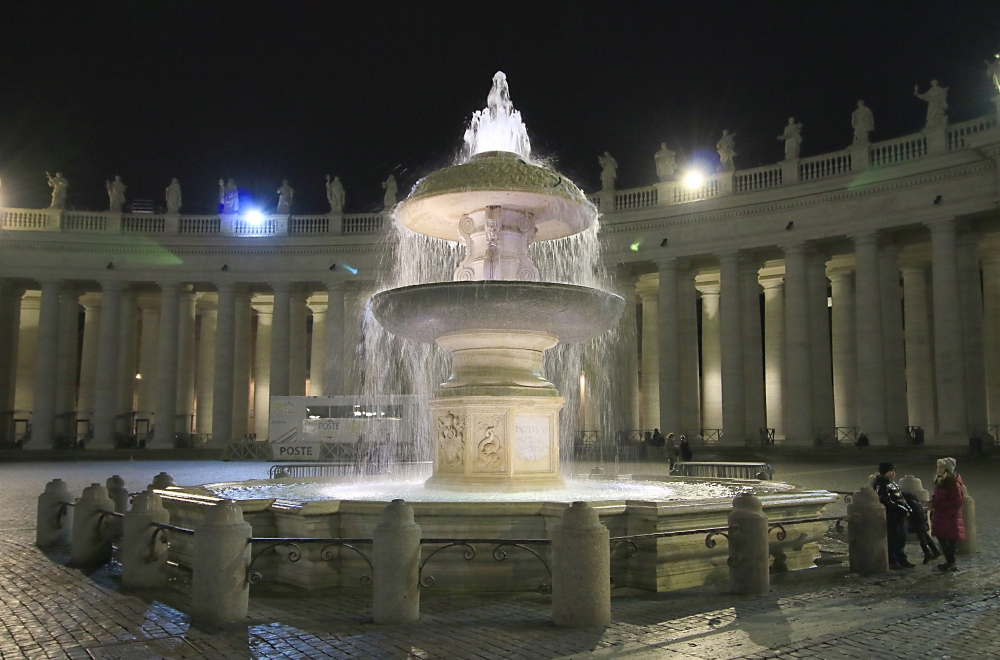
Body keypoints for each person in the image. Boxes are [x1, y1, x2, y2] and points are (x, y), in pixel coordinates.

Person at [872, 462, 914, 569]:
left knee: (901, 537)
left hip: (899, 515)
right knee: (893, 538)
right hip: (891, 515)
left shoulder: (892, 483)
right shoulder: (881, 484)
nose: (893, 473)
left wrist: (907, 507)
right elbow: (885, 500)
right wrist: (901, 509)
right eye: (891, 471)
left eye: (894, 470)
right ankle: (893, 560)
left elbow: (900, 497)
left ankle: (902, 558)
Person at [929, 457, 965, 572]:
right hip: (941, 514)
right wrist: (933, 502)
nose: (939, 469)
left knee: (949, 539)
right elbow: (936, 495)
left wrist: (938, 504)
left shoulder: (953, 482)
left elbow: (957, 501)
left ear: (947, 469)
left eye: (942, 467)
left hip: (949, 515)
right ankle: (950, 562)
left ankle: (951, 562)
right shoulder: (940, 480)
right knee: (942, 537)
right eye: (938, 467)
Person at [902, 490, 940, 564]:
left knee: (922, 537)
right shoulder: (915, 501)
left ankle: (928, 552)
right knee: (925, 536)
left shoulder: (909, 502)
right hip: (921, 521)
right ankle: (935, 551)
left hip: (917, 521)